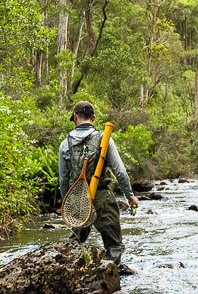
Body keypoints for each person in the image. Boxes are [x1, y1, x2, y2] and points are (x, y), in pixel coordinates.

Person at [58, 101, 140, 267]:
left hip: (78, 199)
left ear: (75, 117)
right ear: (93, 118)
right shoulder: (105, 139)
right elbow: (120, 172)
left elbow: (63, 180)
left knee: (74, 244)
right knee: (114, 245)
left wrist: (68, 203)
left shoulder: (65, 144)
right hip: (102, 197)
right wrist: (130, 197)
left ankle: (71, 276)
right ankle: (112, 281)